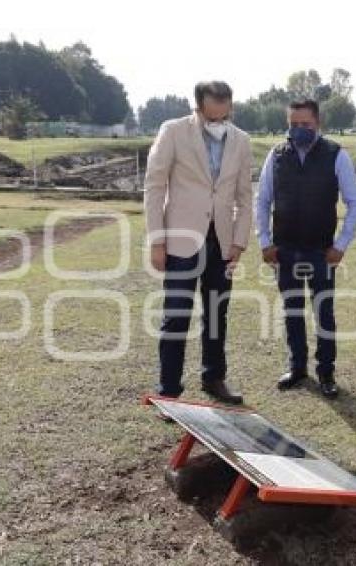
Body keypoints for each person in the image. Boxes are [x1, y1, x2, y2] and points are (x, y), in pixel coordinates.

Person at [144, 80, 253, 406]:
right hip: (180, 241)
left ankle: (213, 377)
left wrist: (239, 241)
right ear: (198, 108)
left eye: (223, 117)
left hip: (221, 243)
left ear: (230, 108)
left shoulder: (241, 140)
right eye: (211, 117)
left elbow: (245, 196)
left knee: (217, 315)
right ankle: (169, 391)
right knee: (176, 316)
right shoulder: (174, 131)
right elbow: (154, 186)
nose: (217, 123)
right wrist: (156, 241)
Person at [256, 99, 356, 399]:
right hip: (285, 250)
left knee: (324, 313)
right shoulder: (276, 155)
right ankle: (297, 367)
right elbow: (262, 201)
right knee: (292, 311)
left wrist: (341, 245)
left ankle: (326, 372)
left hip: (321, 252)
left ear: (318, 124)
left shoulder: (335, 154)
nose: (299, 130)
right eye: (293, 124)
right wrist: (265, 241)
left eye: (306, 124)